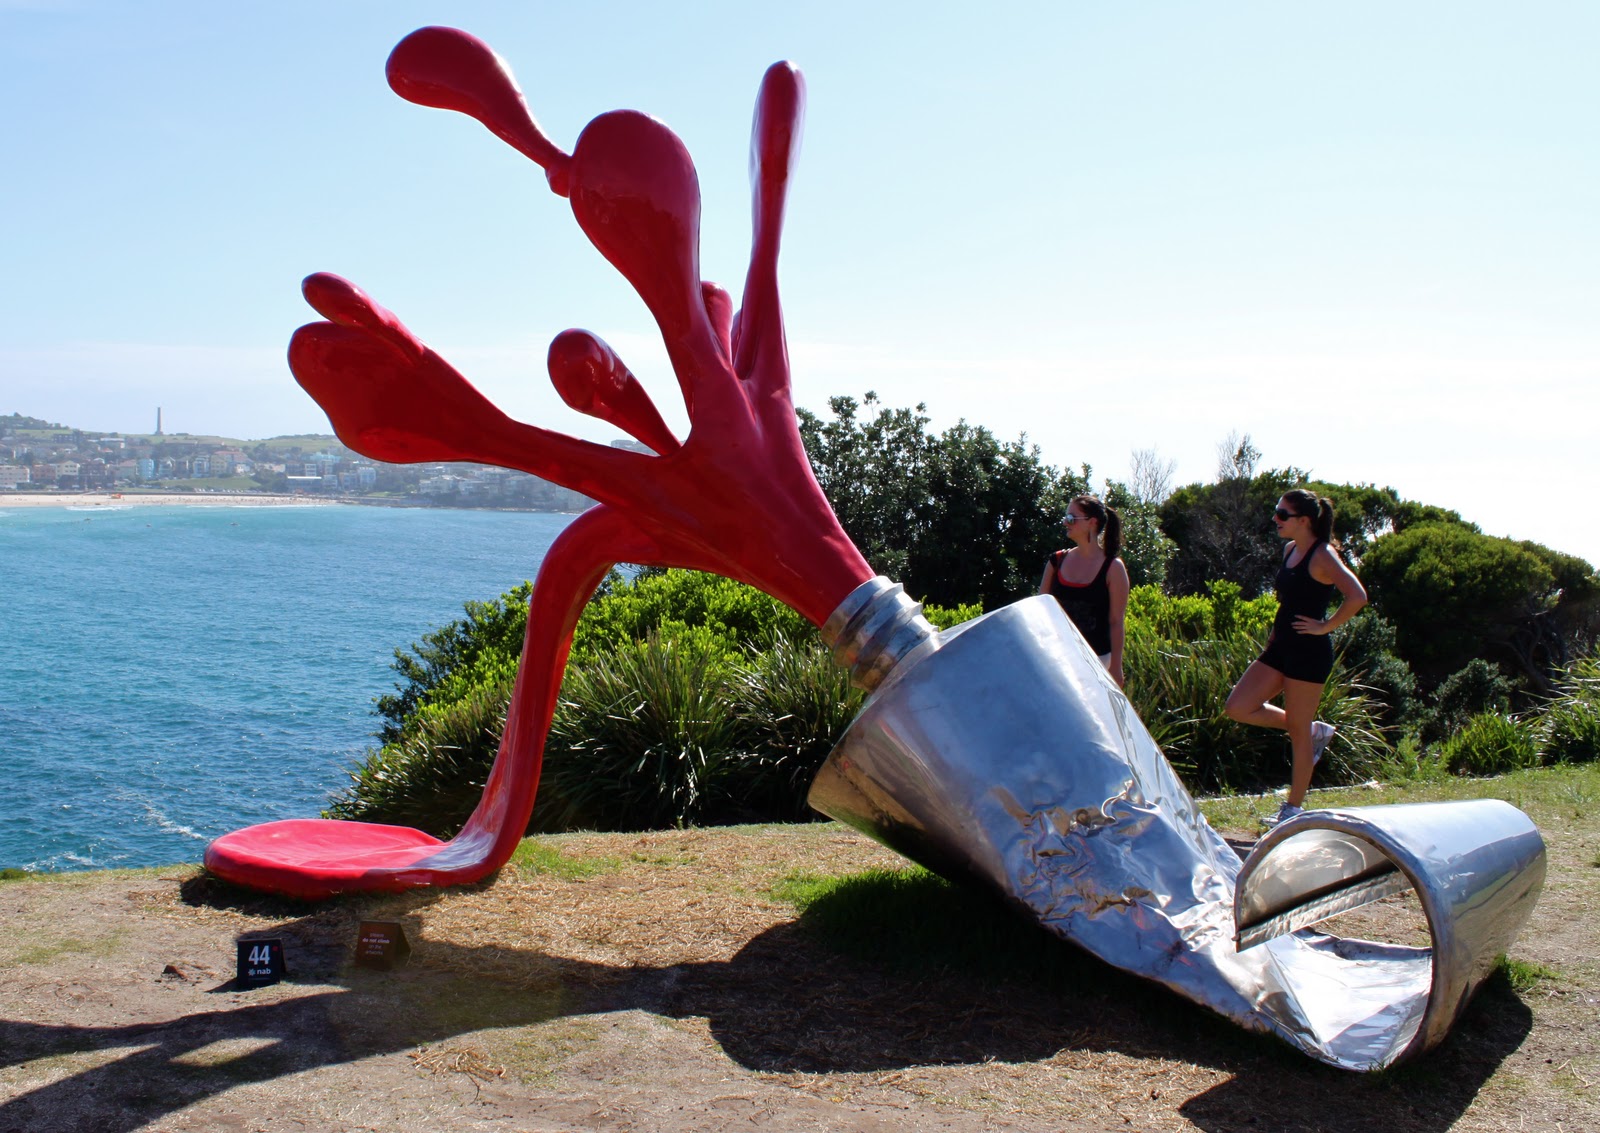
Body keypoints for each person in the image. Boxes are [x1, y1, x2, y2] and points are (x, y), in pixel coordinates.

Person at [1225, 489, 1367, 828]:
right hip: (1280, 647)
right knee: (1238, 706)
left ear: (1304, 521)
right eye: (1277, 512)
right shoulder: (1290, 549)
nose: (1276, 519)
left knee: (1298, 733)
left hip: (1309, 652)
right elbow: (1289, 602)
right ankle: (1313, 730)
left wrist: (1325, 626)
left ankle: (1292, 809)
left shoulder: (1323, 555)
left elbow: (1357, 596)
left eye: (1282, 514)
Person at [1040, 494, 1130, 688]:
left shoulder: (1113, 567)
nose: (1065, 523)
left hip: (1098, 662)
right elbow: (1041, 611)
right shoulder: (1056, 561)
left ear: (1092, 522)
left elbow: (1116, 621)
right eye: (1065, 518)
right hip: (1059, 659)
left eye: (1071, 518)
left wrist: (1116, 667)